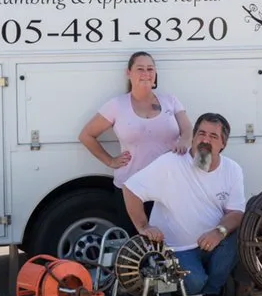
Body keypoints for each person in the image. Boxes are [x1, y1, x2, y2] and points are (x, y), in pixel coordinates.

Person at [121, 112, 245, 296]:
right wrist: (143, 226)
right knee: (194, 283)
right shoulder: (171, 163)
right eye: (201, 133)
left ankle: (211, 293)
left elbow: (236, 212)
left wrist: (219, 232)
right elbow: (130, 189)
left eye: (213, 136)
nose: (205, 140)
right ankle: (197, 289)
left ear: (223, 144)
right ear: (193, 137)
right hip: (177, 249)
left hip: (214, 243)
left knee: (240, 235)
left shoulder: (232, 169)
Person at [79, 51, 193, 230]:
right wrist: (110, 161)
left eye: (150, 69)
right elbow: (86, 135)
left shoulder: (170, 101)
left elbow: (188, 130)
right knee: (136, 241)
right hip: (131, 188)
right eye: (140, 69)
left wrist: (184, 142)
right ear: (128, 73)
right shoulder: (117, 105)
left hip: (169, 186)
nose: (146, 74)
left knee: (169, 240)